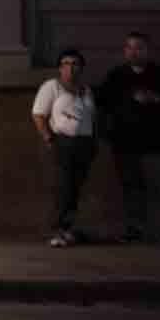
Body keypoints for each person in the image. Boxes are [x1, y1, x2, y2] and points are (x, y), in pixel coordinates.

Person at [97, 31, 160, 247]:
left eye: (139, 47)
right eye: (130, 47)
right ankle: (134, 230)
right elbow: (102, 106)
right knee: (131, 189)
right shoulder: (115, 76)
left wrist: (156, 98)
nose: (134, 51)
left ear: (148, 50)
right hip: (125, 144)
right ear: (125, 51)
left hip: (159, 143)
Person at [31, 48, 98, 247]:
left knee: (75, 187)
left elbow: (92, 117)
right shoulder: (51, 87)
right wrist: (49, 138)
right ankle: (57, 231)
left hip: (84, 144)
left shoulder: (86, 90)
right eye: (66, 63)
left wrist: (92, 142)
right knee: (63, 187)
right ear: (60, 68)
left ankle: (67, 229)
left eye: (75, 63)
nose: (71, 67)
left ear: (81, 67)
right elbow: (38, 115)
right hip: (62, 142)